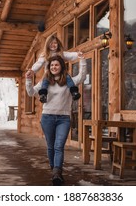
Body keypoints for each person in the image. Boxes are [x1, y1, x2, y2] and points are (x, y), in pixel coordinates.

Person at [25, 54, 86, 185]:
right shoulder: (45, 82)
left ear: (61, 66)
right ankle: (54, 170)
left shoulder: (68, 81)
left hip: (64, 118)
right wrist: (28, 80)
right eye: (52, 65)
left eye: (56, 64)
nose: (54, 67)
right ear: (49, 67)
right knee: (51, 146)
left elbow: (82, 77)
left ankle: (57, 172)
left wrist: (82, 60)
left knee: (59, 146)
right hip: (47, 117)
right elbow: (31, 92)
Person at [27, 34, 82, 103]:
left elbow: (69, 55)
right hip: (49, 74)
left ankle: (74, 92)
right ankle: (43, 95)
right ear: (47, 45)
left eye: (55, 43)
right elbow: (39, 64)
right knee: (45, 81)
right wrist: (33, 70)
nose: (53, 45)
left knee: (68, 77)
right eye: (51, 43)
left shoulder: (61, 53)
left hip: (61, 73)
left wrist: (77, 54)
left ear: (58, 44)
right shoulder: (45, 55)